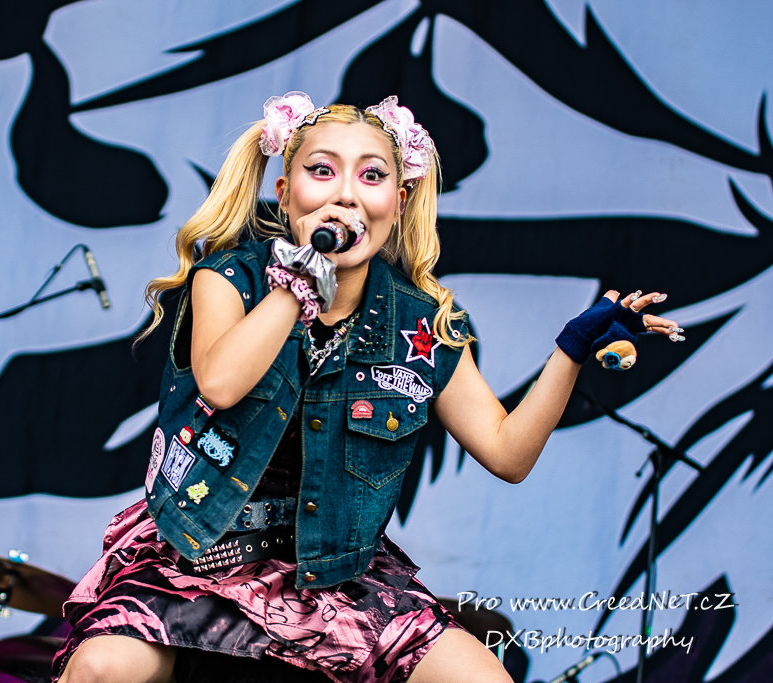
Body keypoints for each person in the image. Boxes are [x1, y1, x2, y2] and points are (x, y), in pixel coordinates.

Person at [51, 92, 682, 683]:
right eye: (322, 171)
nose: (346, 194)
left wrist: (570, 351)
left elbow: (508, 454)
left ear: (399, 202)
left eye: (372, 176)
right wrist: (299, 282)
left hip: (332, 571)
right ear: (285, 193)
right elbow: (219, 384)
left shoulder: (422, 325)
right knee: (102, 669)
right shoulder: (230, 280)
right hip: (200, 554)